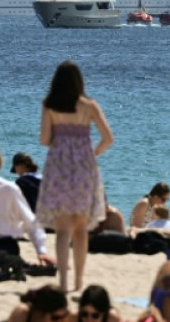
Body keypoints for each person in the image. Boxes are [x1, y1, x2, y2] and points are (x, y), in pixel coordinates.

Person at [36, 60, 113, 291]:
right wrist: (92, 153)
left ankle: (62, 281)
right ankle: (79, 281)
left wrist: (61, 141)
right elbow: (108, 138)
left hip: (58, 166)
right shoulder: (89, 106)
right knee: (81, 228)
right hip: (84, 167)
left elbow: (44, 140)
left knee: (62, 229)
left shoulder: (50, 105)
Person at [6, 285, 71, 322]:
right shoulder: (23, 313)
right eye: (55, 318)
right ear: (41, 312)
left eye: (64, 315)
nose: (60, 321)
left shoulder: (68, 317)